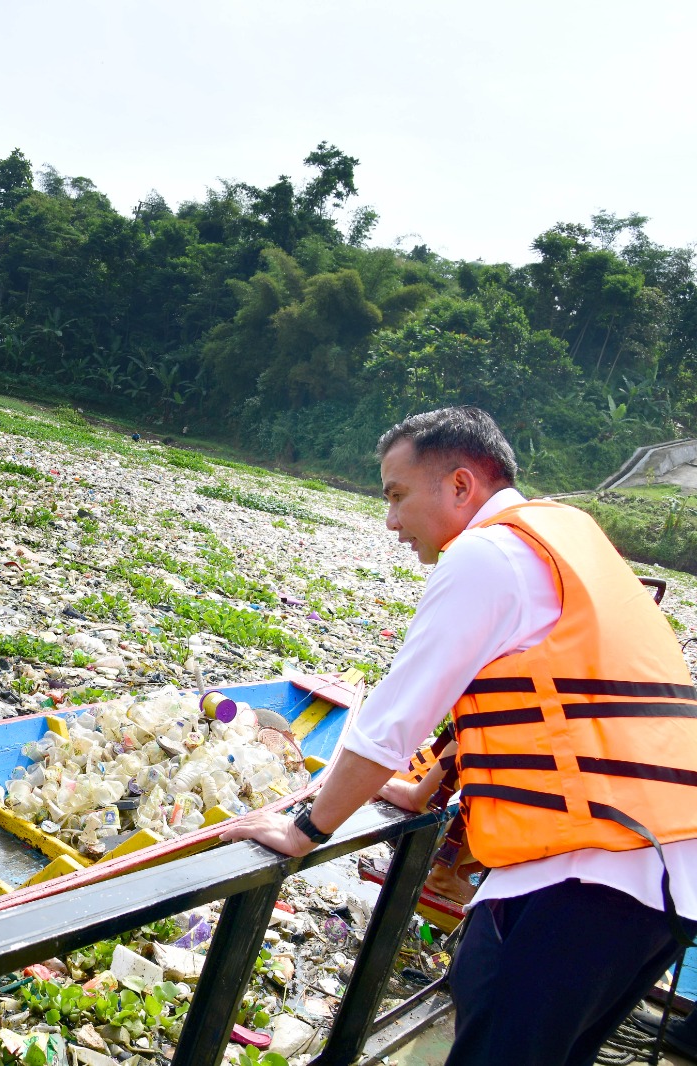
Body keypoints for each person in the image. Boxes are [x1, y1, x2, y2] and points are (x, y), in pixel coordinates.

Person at [222, 406, 697, 1066]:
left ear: (460, 485)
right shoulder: (565, 537)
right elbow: (529, 708)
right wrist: (414, 793)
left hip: (585, 870)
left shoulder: (487, 552)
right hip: (665, 874)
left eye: (396, 495)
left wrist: (308, 828)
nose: (390, 521)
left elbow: (397, 716)